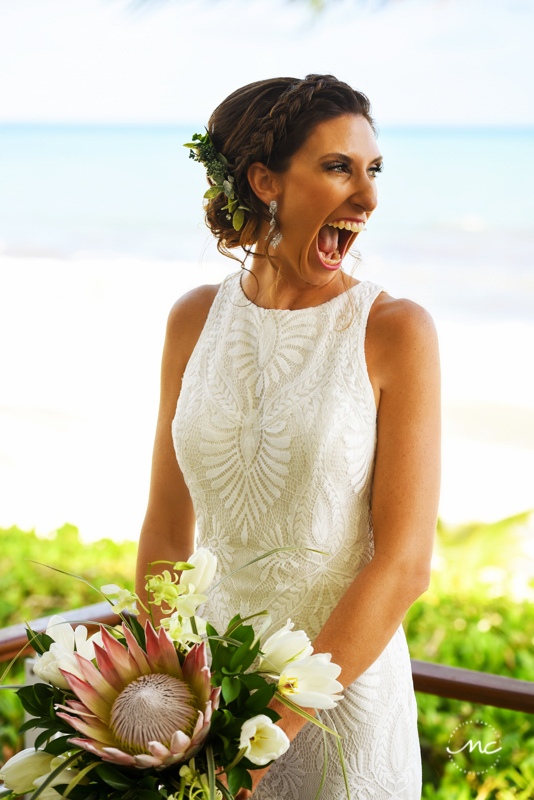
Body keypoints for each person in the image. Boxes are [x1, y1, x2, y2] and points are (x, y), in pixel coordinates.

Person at [135, 74, 441, 799]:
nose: (367, 198)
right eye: (339, 167)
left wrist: (271, 730)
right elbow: (167, 530)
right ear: (264, 180)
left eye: (373, 171)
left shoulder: (395, 331)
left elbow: (402, 565)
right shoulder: (192, 321)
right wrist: (158, 698)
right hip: (210, 700)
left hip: (339, 715)